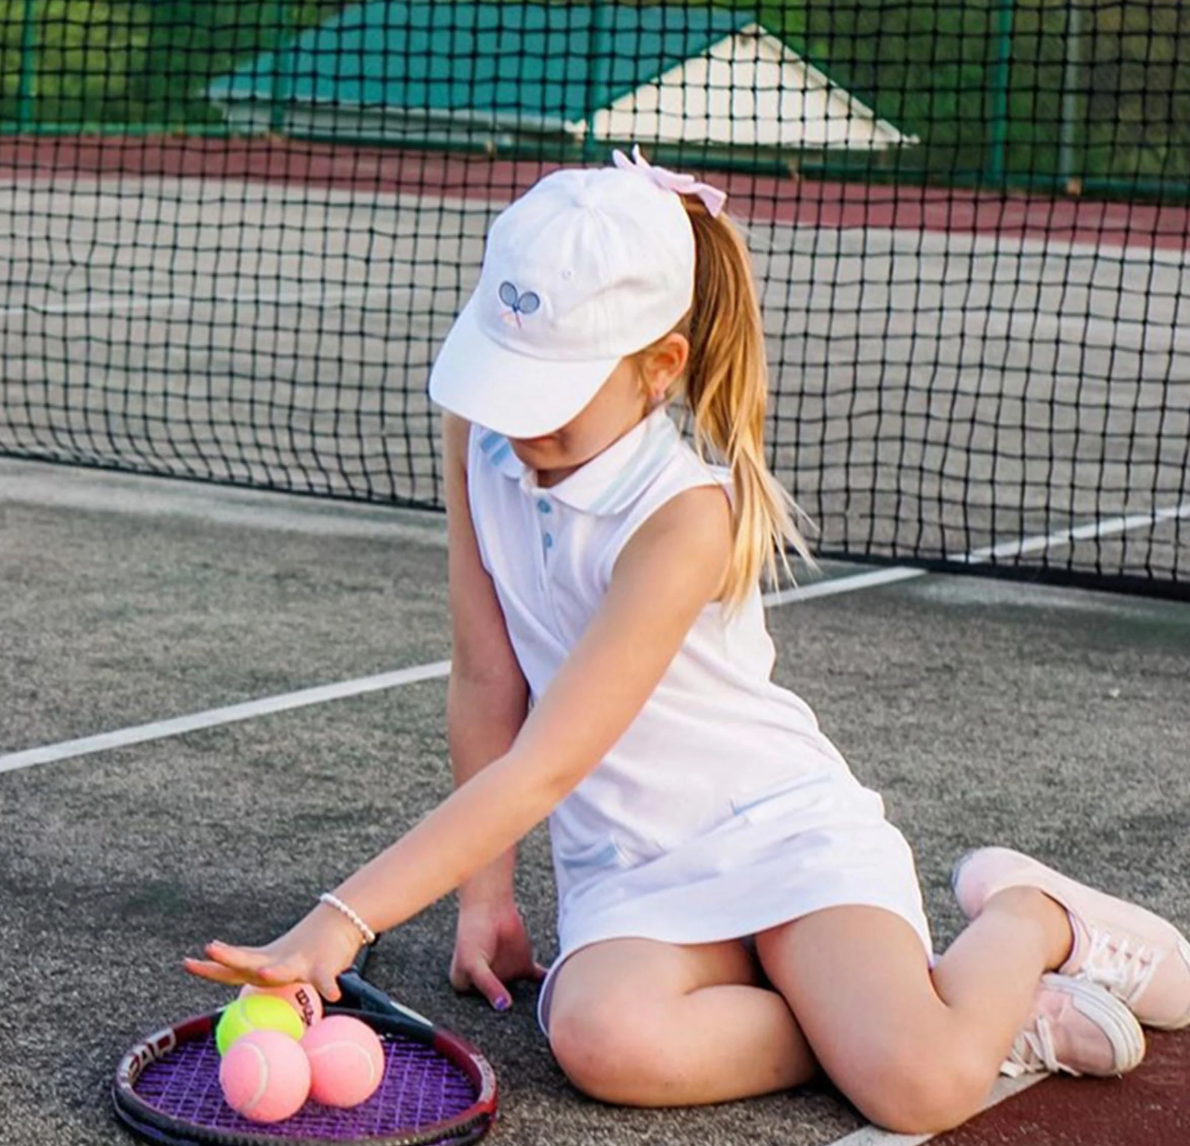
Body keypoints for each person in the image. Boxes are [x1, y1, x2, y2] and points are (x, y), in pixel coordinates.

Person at [186, 147, 1190, 1134]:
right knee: (601, 1044)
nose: (516, 419)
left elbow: (543, 765)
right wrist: (483, 896)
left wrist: (342, 919)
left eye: (553, 396)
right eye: (507, 379)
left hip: (780, 834)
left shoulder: (681, 518)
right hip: (628, 872)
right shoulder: (475, 431)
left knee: (919, 1088)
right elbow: (486, 670)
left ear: (658, 369)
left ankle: (1025, 919)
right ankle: (899, 1012)